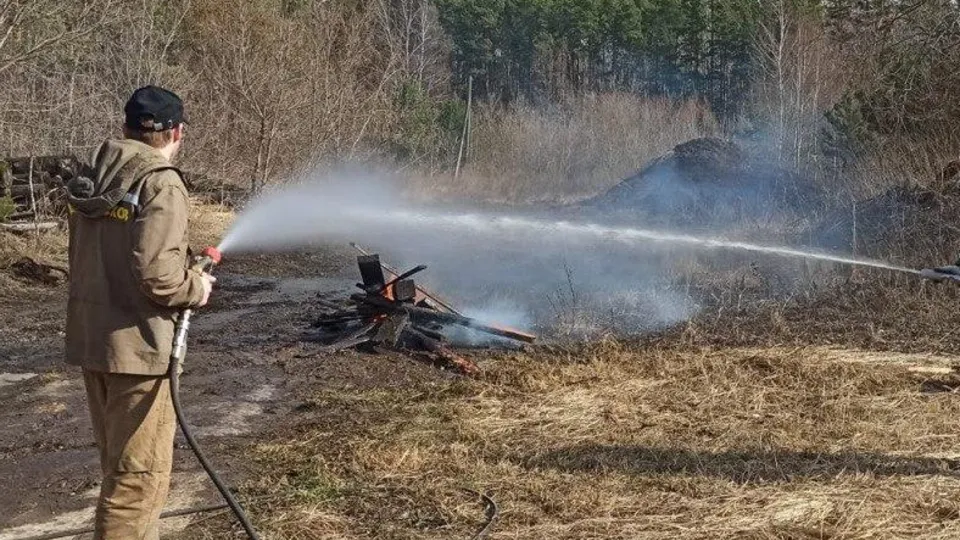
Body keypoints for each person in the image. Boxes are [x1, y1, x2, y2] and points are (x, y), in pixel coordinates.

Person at [64, 85, 216, 539]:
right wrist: (197, 286)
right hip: (139, 351)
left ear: (125, 127)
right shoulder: (160, 182)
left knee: (120, 471)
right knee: (138, 482)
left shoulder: (98, 176)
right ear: (177, 132)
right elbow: (159, 277)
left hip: (95, 341)